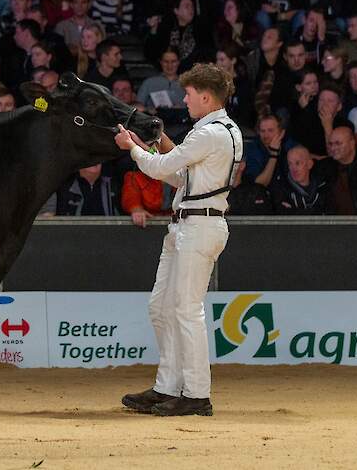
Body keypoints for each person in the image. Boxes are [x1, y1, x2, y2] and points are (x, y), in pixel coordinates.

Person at [115, 62, 242, 417]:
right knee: (162, 307)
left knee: (186, 310)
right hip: (189, 224)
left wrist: (132, 148)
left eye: (188, 94)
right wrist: (149, 146)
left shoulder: (210, 134)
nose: (184, 100)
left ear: (205, 96)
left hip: (198, 226)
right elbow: (179, 176)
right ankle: (168, 386)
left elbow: (161, 171)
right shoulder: (219, 131)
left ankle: (197, 394)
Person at [270, 145, 329, 214]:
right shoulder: (281, 189)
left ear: (310, 164)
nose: (293, 169)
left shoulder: (323, 185)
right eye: (290, 164)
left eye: (298, 163)